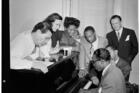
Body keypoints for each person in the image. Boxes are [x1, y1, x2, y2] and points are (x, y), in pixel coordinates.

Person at [106, 15, 138, 81]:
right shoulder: (109, 35)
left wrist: (129, 59)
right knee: (114, 83)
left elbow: (135, 48)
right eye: (112, 24)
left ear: (121, 22)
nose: (114, 25)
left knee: (124, 84)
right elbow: (110, 49)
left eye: (116, 23)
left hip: (126, 64)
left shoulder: (130, 32)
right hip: (114, 64)